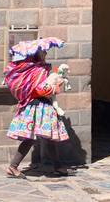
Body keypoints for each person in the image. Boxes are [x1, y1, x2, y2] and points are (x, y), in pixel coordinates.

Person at [4, 49, 69, 178]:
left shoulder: (40, 69)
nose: (45, 54)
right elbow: (40, 90)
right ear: (36, 54)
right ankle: (13, 167)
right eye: (43, 52)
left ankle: (58, 167)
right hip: (37, 106)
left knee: (48, 137)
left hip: (40, 106)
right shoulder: (37, 70)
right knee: (30, 138)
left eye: (45, 52)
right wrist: (53, 87)